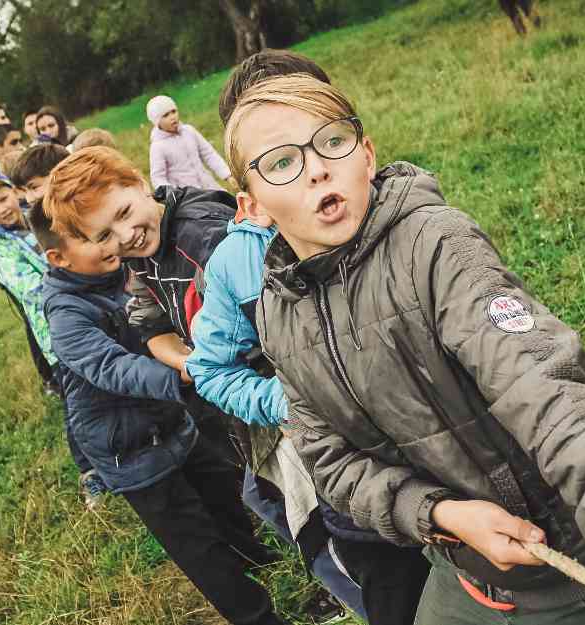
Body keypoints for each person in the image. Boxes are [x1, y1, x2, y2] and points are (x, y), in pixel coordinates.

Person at [223, 73, 585, 625]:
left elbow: (544, 387)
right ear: (252, 206)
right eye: (281, 162)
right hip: (461, 571)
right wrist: (440, 514)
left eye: (332, 141)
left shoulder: (435, 246)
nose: (316, 167)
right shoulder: (277, 317)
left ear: (368, 155)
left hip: (571, 561)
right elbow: (332, 465)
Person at [186, 49, 438, 625]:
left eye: (321, 135)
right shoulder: (240, 266)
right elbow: (210, 367)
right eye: (278, 158)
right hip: (356, 497)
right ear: (250, 185)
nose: (310, 167)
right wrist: (291, 403)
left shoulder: (413, 231)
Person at [37, 151, 290, 625]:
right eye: (101, 239)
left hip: (174, 418)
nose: (118, 242)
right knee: (194, 539)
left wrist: (191, 368)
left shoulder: (141, 258)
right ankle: (255, 614)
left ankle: (257, 557)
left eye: (122, 218)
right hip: (129, 449)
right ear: (63, 254)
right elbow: (112, 367)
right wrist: (188, 373)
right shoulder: (66, 314)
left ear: (138, 185)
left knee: (225, 494)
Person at [0, 172, 105, 508]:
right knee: (78, 404)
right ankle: (89, 472)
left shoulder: (40, 221)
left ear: (15, 194)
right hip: (57, 335)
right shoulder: (1, 248)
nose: (1, 209)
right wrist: (74, 278)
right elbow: (30, 289)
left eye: (2, 198)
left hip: (91, 313)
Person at [146, 94, 236, 191]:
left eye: (173, 111)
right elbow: (157, 177)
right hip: (189, 197)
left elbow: (209, 154)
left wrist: (227, 174)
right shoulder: (158, 147)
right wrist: (172, 194)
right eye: (165, 115)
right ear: (157, 122)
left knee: (229, 204)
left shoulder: (189, 131)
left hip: (209, 186)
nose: (172, 117)